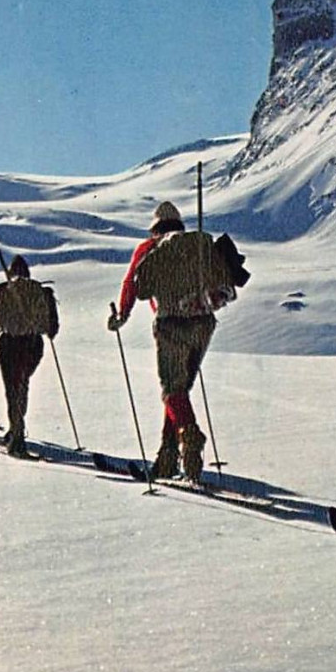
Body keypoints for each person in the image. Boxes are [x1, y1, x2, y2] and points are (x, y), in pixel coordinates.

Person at [108, 201, 229, 482]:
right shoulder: (198, 246)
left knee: (171, 390)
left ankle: (191, 435)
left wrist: (122, 316)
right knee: (180, 389)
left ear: (155, 228)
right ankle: (167, 458)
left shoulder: (151, 248)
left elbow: (132, 285)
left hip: (170, 322)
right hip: (204, 324)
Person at [0, 255, 59, 458]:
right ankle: (16, 428)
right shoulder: (43, 292)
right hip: (34, 345)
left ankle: (17, 438)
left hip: (9, 343)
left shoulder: (1, 290)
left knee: (12, 389)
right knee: (22, 384)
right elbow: (53, 327)